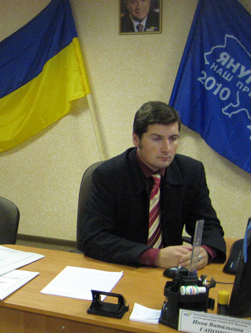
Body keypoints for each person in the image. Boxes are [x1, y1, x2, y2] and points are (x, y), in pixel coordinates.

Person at [79, 101, 226, 268]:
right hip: (124, 267)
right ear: (136, 139)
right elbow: (93, 238)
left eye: (173, 139)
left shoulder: (191, 171)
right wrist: (154, 256)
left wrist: (206, 251)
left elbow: (208, 226)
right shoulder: (109, 175)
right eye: (156, 139)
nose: (167, 148)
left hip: (171, 270)